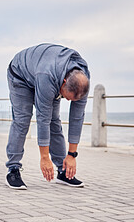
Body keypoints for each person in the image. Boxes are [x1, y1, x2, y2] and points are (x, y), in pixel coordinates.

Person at [5, 43, 90, 190]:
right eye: (67, 97)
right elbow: (42, 118)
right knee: (22, 120)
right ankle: (13, 169)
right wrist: (44, 158)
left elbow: (77, 118)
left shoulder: (83, 79)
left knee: (54, 122)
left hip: (45, 70)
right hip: (20, 74)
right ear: (63, 83)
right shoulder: (47, 76)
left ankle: (62, 171)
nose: (68, 101)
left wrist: (72, 155)